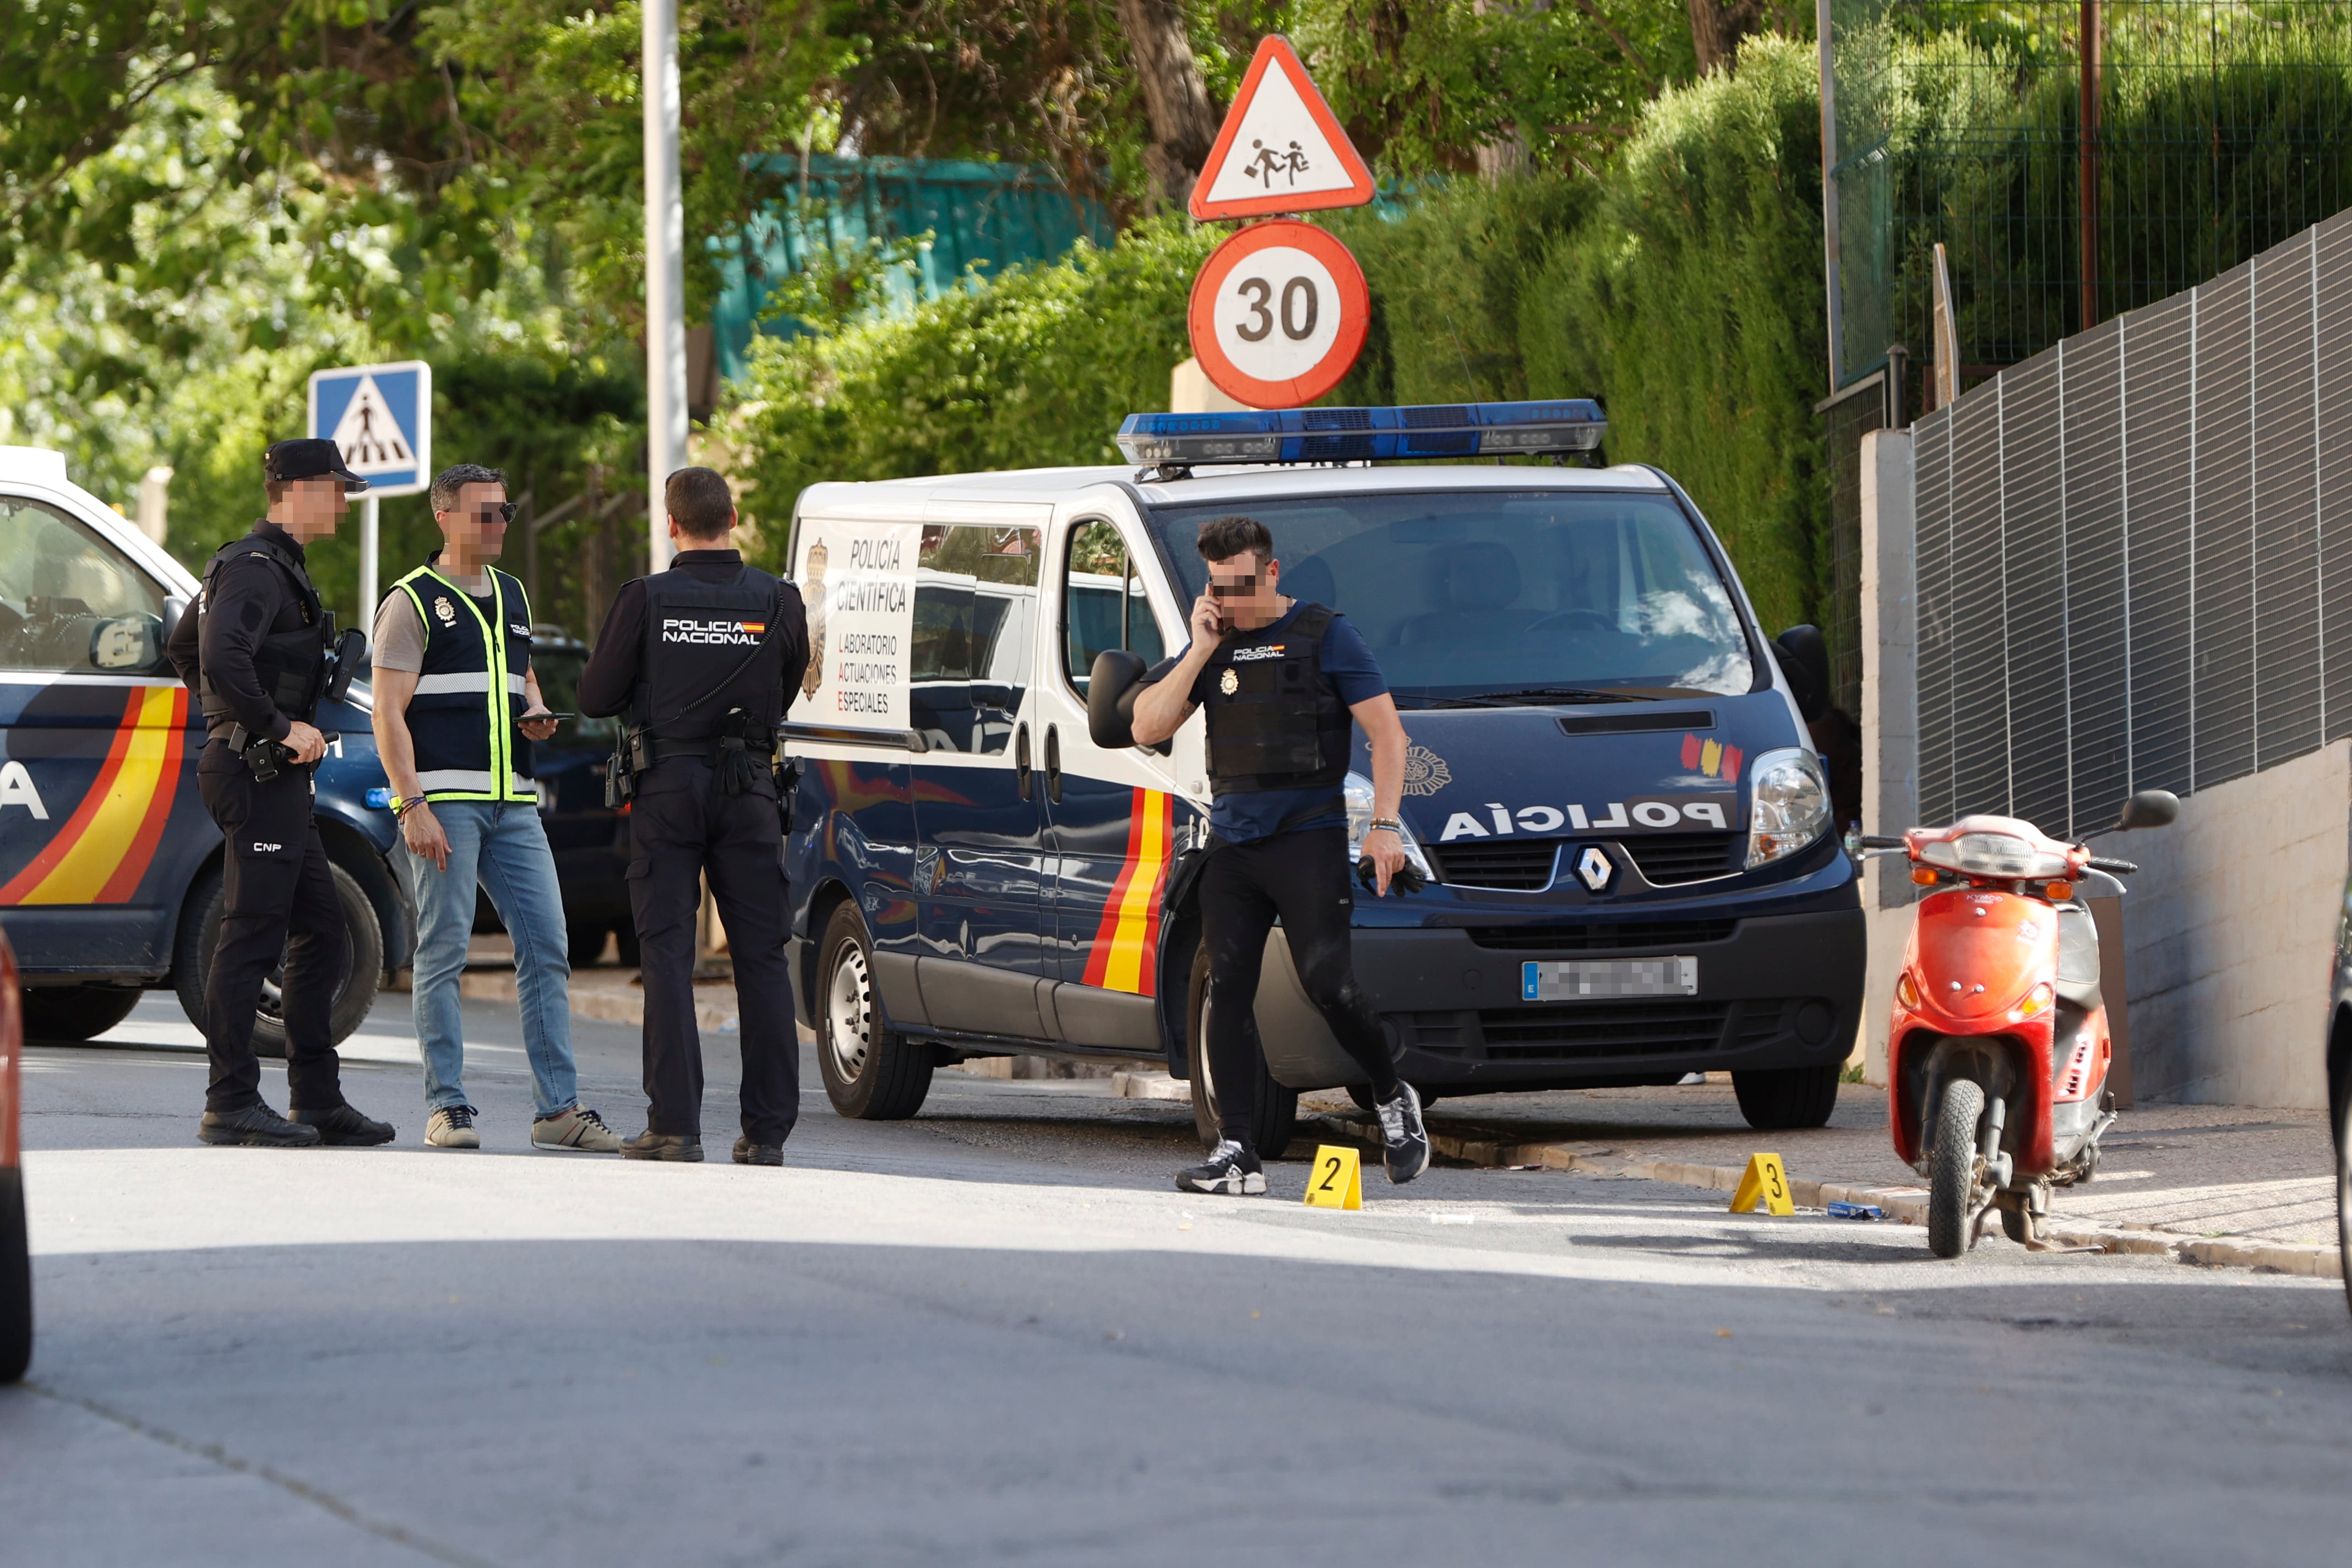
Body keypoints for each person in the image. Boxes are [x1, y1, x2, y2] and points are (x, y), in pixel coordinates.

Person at [1130, 514, 1430, 1196]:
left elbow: (1388, 735)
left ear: (1270, 572)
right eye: (1216, 588)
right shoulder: (1213, 642)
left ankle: (1391, 1097)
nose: (1227, 600)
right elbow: (1146, 726)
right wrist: (1202, 650)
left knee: (1329, 984)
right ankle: (1237, 1149)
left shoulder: (1326, 635)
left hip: (1307, 839)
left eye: (1239, 586)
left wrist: (1384, 824)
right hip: (1235, 844)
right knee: (1225, 988)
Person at [369, 464, 622, 1153]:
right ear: (443, 517)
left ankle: (557, 1111)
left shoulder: (512, 593)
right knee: (445, 950)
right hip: (444, 802)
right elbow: (387, 713)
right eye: (484, 513)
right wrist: (410, 803)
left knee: (548, 947)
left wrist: (535, 708)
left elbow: (522, 670)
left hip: (514, 802)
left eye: (505, 512)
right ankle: (447, 1105)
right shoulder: (411, 601)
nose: (499, 524)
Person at [164, 438, 395, 1148]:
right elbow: (215, 654)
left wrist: (245, 726)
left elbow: (182, 649)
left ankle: (316, 1100)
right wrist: (266, 726)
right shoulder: (257, 570)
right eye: (337, 488)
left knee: (321, 931)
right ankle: (230, 1100)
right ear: (296, 488)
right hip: (258, 771)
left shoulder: (274, 569)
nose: (346, 501)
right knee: (250, 935)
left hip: (271, 774)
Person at [578, 467, 809, 1165]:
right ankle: (767, 1133)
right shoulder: (779, 599)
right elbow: (789, 684)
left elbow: (594, 696)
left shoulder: (645, 598)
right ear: (733, 516)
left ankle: (674, 1127)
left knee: (669, 956)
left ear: (671, 525)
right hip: (751, 790)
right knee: (761, 959)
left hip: (669, 788)